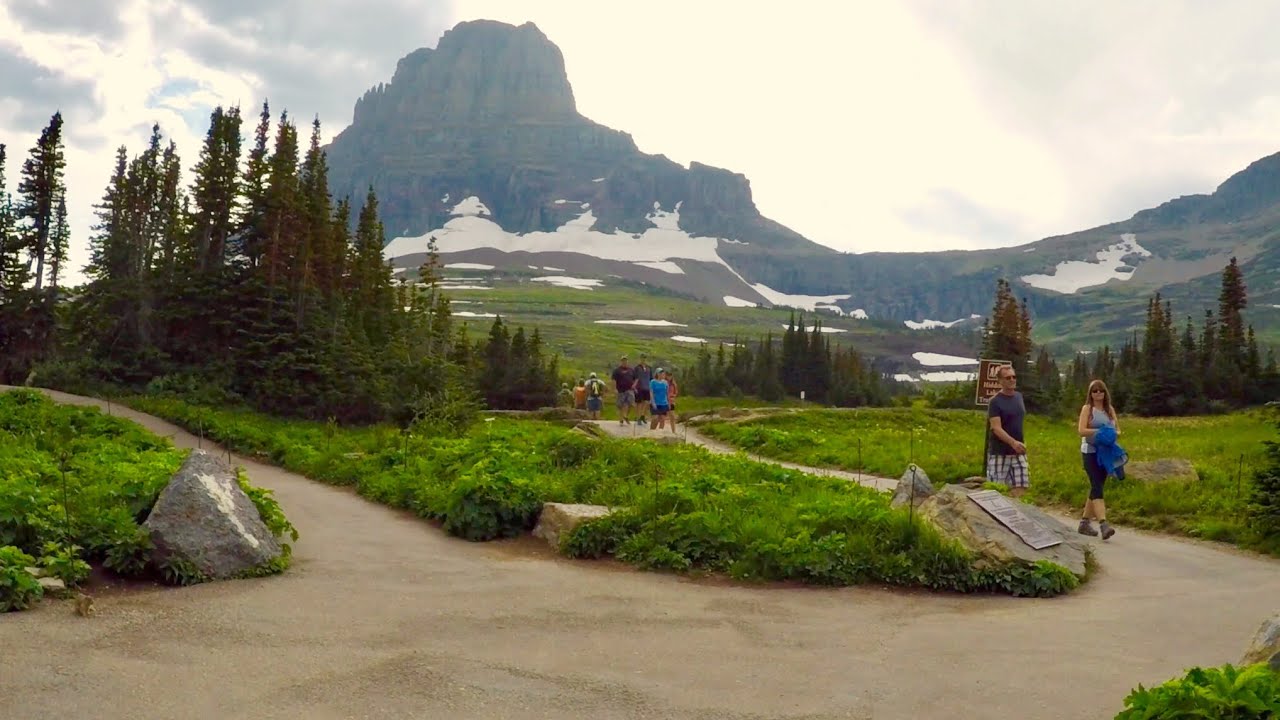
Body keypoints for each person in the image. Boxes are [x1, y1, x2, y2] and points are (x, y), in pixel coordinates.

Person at [1077, 379, 1119, 540]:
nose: (1098, 393)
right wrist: (1100, 431)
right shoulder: (1087, 409)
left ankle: (1084, 523)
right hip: (1090, 451)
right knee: (1096, 485)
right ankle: (1103, 524)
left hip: (1106, 452)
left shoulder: (1110, 410)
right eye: (1094, 391)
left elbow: (1117, 428)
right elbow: (1081, 430)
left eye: (1101, 390)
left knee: (1097, 486)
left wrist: (1113, 433)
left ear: (1105, 392)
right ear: (1090, 394)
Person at [986, 364, 1029, 498]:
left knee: (1022, 485)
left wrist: (1020, 443)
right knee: (998, 491)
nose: (1012, 380)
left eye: (1013, 377)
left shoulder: (1018, 397)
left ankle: (1016, 514)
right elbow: (996, 427)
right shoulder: (995, 402)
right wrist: (1012, 442)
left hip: (1018, 451)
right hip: (1000, 452)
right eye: (1007, 377)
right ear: (1000, 381)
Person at [611, 355, 636, 425]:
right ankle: (621, 419)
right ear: (621, 362)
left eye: (626, 361)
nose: (624, 362)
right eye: (623, 361)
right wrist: (614, 389)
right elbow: (613, 380)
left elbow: (635, 379)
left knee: (630, 403)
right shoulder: (617, 371)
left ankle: (625, 415)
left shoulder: (631, 370)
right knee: (621, 405)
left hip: (629, 389)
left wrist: (634, 386)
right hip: (620, 390)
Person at [632, 354, 654, 426]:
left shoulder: (649, 368)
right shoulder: (637, 368)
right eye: (642, 358)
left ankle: (643, 415)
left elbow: (651, 378)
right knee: (639, 403)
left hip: (647, 387)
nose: (643, 359)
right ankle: (638, 418)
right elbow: (634, 378)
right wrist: (634, 387)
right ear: (640, 359)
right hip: (639, 387)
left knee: (647, 402)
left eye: (644, 358)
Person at [666, 369, 680, 434]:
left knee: (672, 416)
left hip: (671, 401)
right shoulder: (664, 383)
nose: (669, 377)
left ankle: (673, 431)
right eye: (668, 375)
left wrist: (673, 396)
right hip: (665, 401)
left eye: (670, 376)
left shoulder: (673, 384)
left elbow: (676, 392)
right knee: (662, 416)